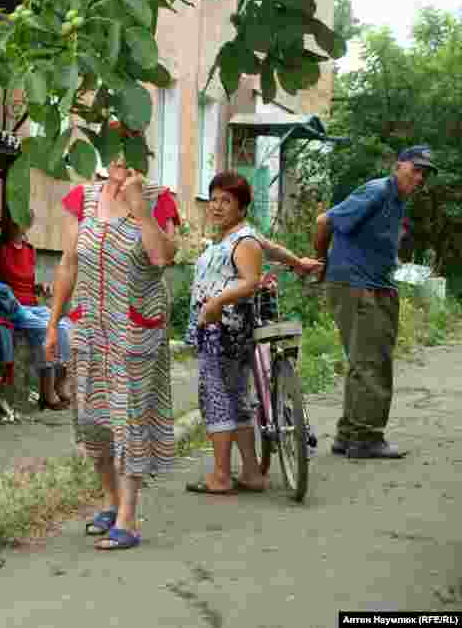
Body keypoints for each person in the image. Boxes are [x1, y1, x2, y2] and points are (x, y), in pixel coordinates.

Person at [46, 138, 179, 551]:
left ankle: (128, 517)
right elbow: (68, 263)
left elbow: (163, 257)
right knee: (92, 419)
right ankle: (109, 500)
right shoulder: (81, 199)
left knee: (129, 419)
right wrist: (53, 324)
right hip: (90, 327)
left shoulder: (160, 199)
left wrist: (141, 210)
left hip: (135, 327)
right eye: (114, 150)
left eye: (130, 152)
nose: (120, 160)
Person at [185, 172, 323, 495]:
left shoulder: (241, 240)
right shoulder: (240, 236)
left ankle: (220, 475)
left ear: (242, 207)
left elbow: (250, 281)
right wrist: (298, 264)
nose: (217, 206)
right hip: (223, 329)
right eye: (214, 199)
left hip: (223, 330)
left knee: (217, 400)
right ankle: (250, 472)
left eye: (227, 201)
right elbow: (271, 248)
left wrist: (216, 302)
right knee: (236, 399)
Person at [313, 145, 434, 459]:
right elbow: (324, 221)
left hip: (375, 285)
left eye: (424, 173)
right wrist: (321, 260)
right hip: (356, 286)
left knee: (364, 362)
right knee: (371, 365)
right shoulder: (378, 191)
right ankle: (366, 438)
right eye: (415, 169)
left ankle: (348, 435)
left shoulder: (396, 200)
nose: (419, 177)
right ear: (398, 166)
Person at [0, 207, 73, 409]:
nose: (17, 226)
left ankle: (62, 383)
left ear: (28, 225)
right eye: (15, 221)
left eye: (22, 222)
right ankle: (47, 393)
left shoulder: (30, 250)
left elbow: (27, 282)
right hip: (10, 306)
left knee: (66, 326)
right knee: (45, 328)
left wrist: (40, 287)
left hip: (31, 305)